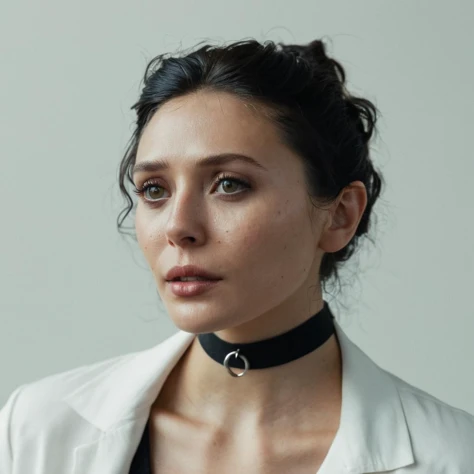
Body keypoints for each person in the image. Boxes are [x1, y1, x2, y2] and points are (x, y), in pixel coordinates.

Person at [1, 37, 473, 474]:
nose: (179, 227)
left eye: (229, 184)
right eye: (154, 190)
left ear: (339, 216)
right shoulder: (35, 431)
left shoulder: (452, 457)